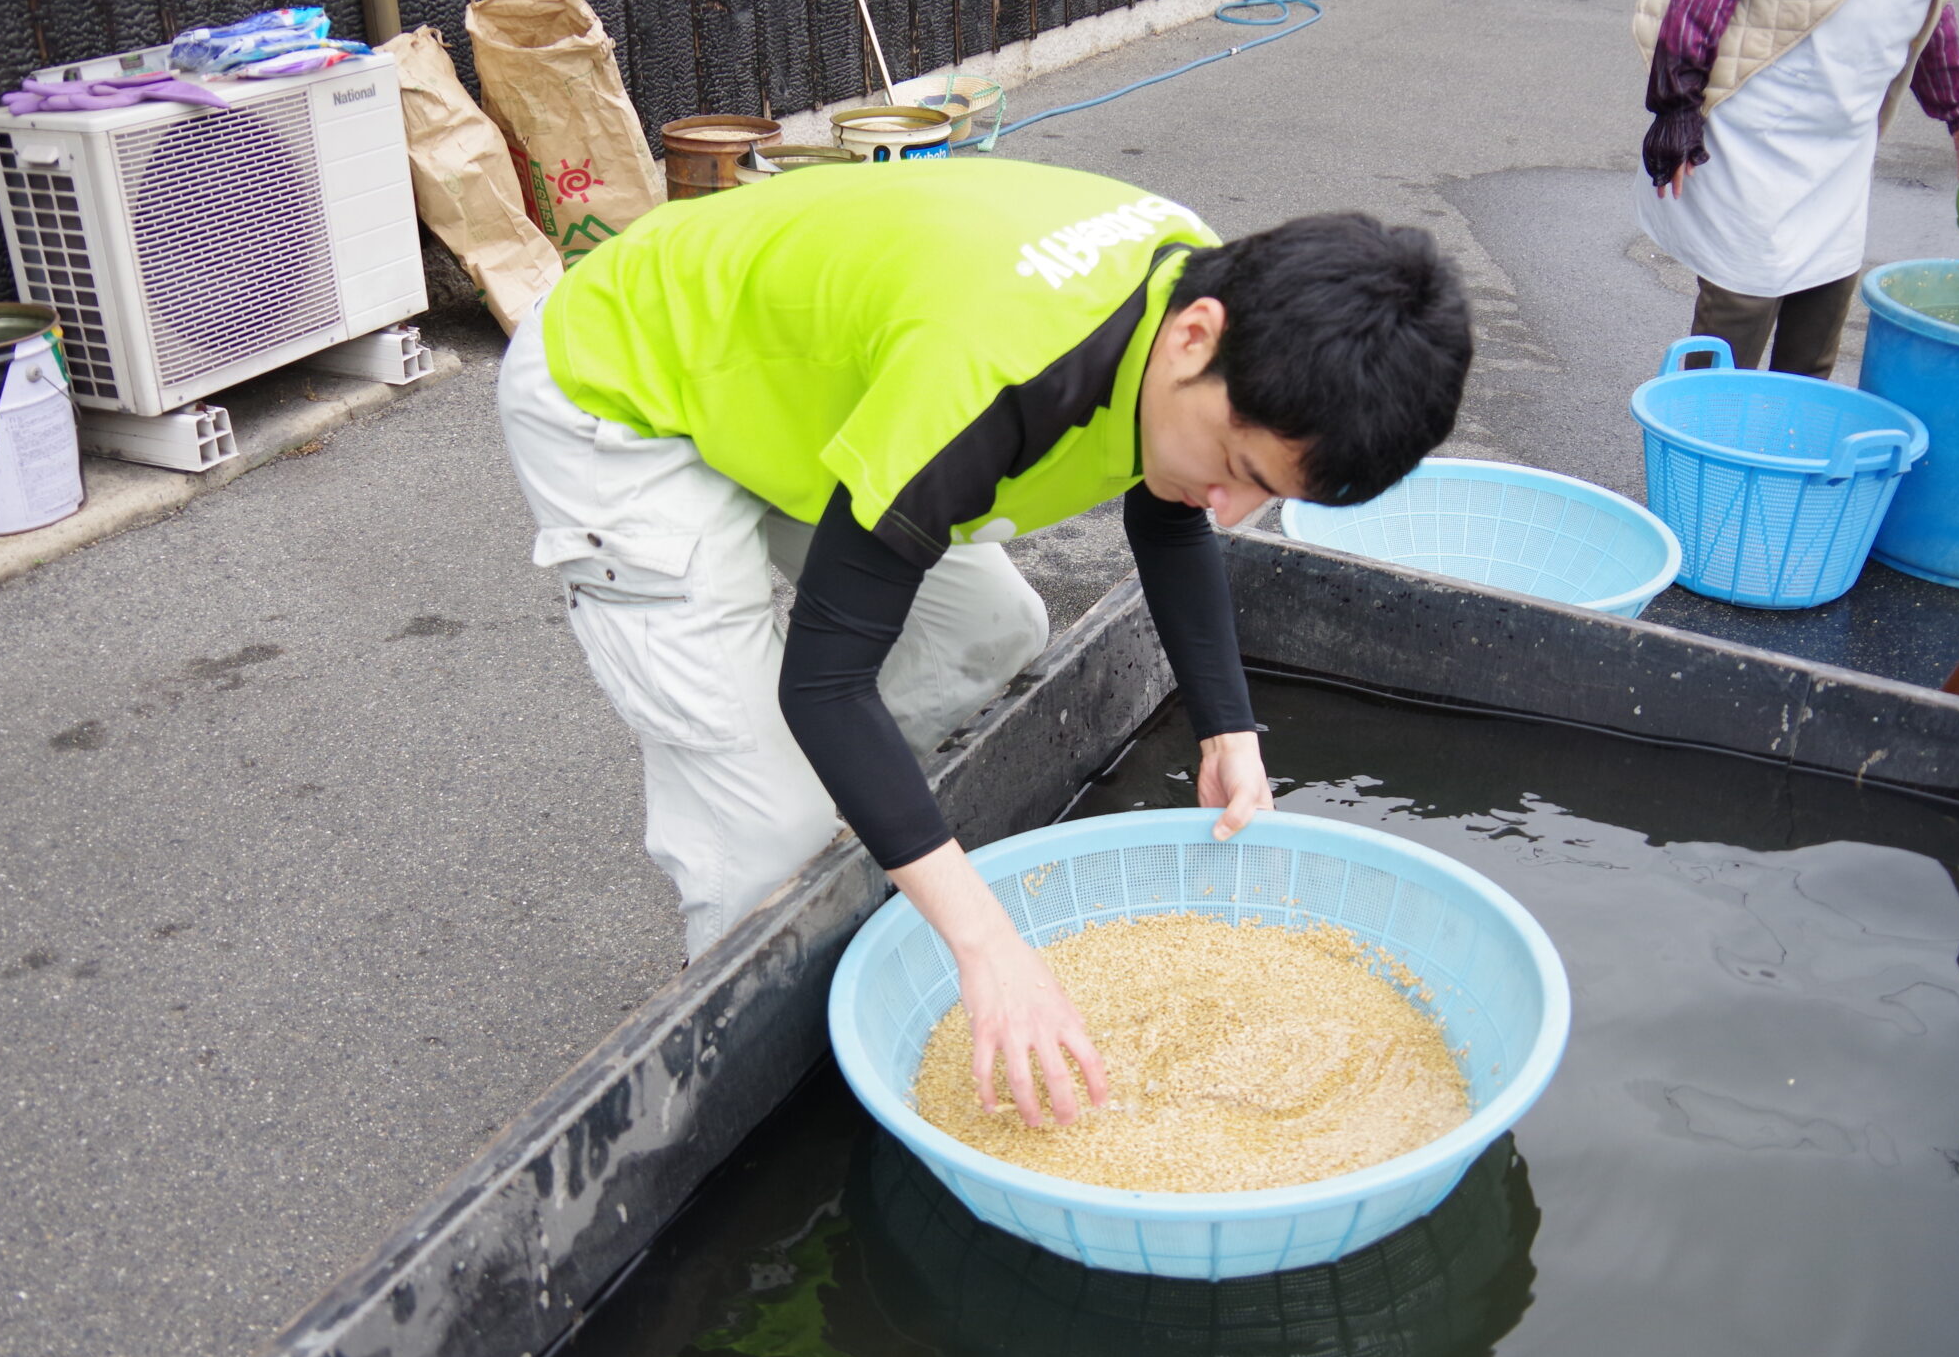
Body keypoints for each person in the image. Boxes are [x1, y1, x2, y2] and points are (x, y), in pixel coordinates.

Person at [498, 158, 1471, 1127]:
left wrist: (1229, 729)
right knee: (769, 828)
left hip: (798, 392)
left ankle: (862, 821)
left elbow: (1171, 515)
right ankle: (724, 1095)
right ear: (1194, 337)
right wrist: (989, 946)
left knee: (990, 630)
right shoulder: (995, 370)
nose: (1232, 511)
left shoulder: (1214, 293)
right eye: (1234, 467)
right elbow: (827, 685)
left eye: (1270, 494)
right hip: (624, 393)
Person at [1633, 0, 1959, 377]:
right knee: (1740, 313)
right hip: (1755, 134)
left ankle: (1791, 441)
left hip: (1841, 147)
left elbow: (1923, 2)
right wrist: (1677, 105)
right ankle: (1698, 437)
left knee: (1819, 323)